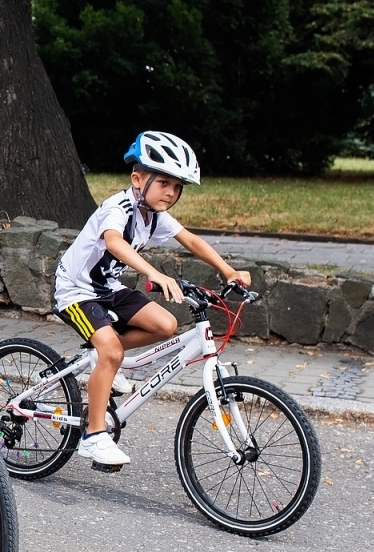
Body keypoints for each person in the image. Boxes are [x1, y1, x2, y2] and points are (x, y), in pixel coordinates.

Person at [52, 131, 251, 469]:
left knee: (165, 324)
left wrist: (228, 270)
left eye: (178, 187)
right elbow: (114, 242)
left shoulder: (153, 214)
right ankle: (94, 436)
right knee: (112, 351)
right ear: (137, 179)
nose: (171, 192)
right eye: (163, 183)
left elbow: (190, 240)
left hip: (107, 288)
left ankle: (101, 358)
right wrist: (155, 274)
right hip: (76, 291)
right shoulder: (118, 208)